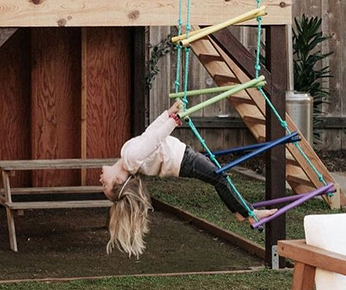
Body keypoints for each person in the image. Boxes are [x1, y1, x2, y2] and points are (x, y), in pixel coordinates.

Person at [100, 99, 277, 257]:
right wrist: (172, 122)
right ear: (118, 181)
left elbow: (148, 134)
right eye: (105, 185)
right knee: (219, 178)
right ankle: (249, 213)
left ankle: (240, 211)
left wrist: (167, 114)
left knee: (218, 176)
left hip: (184, 158)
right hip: (184, 160)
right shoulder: (131, 160)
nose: (101, 181)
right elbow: (154, 140)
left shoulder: (126, 155)